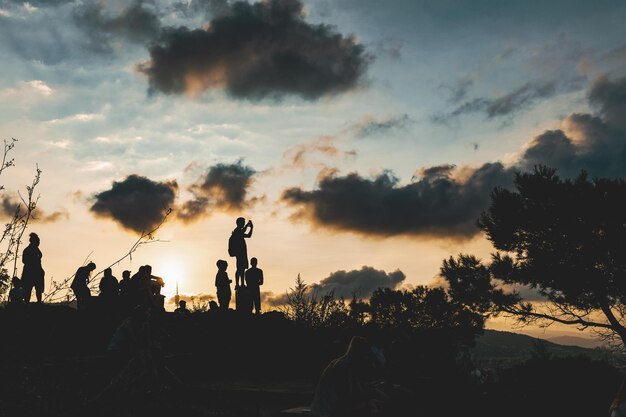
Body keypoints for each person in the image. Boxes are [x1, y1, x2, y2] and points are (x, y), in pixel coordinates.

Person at [311, 336, 384, 417]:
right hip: (326, 412)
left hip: (326, 409)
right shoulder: (343, 367)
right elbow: (346, 398)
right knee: (370, 407)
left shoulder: (343, 363)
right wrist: (369, 400)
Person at [228, 217, 253, 288]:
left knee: (241, 269)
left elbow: (246, 234)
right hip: (240, 253)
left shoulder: (238, 231)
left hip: (241, 253)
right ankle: (238, 284)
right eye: (243, 222)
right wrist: (250, 227)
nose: (243, 224)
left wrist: (249, 227)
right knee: (240, 269)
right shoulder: (237, 231)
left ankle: (241, 284)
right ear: (239, 223)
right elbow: (246, 234)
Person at [21, 232, 45, 303]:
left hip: (37, 272)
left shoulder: (37, 250)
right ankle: (27, 303)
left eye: (39, 241)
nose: (38, 243)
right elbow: (24, 261)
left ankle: (39, 303)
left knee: (38, 289)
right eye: (37, 241)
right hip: (29, 272)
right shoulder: (27, 250)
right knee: (28, 289)